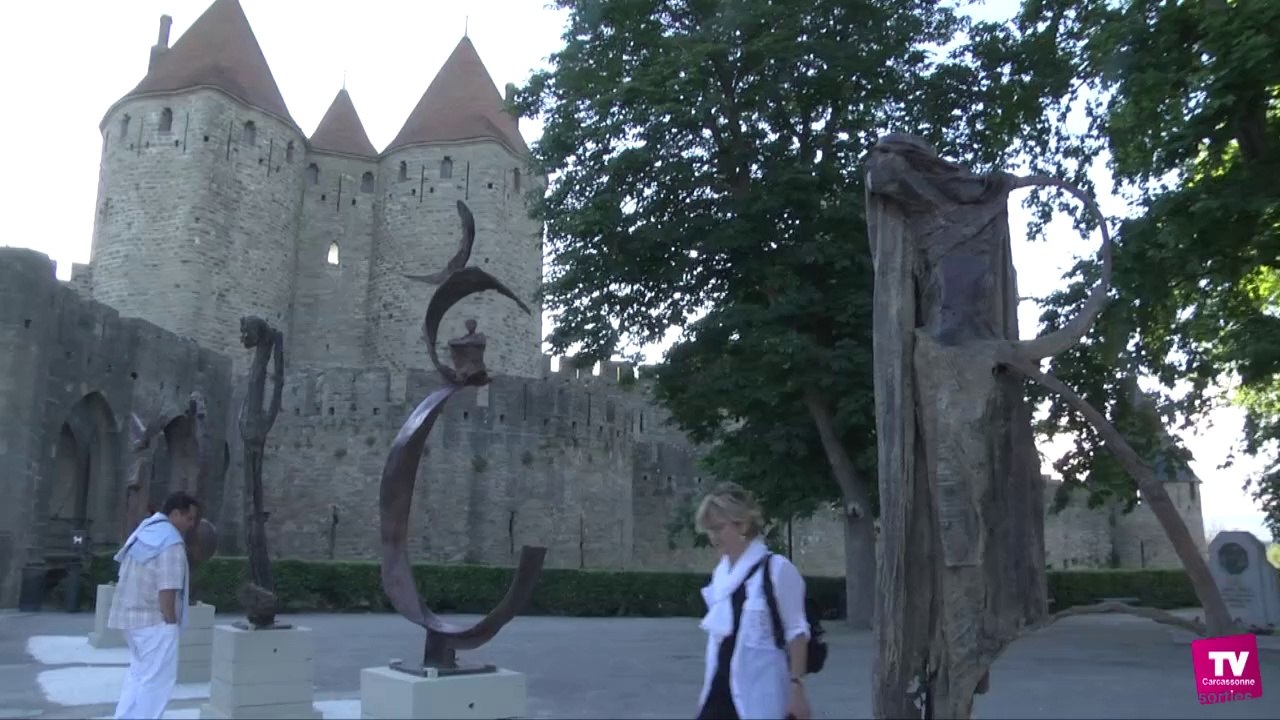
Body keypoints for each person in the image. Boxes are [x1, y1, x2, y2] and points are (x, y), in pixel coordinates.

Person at [694, 482, 812, 720]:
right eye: (709, 530)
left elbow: (796, 632)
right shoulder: (721, 574)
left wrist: (796, 688)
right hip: (719, 693)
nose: (713, 537)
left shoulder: (777, 570)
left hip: (760, 694)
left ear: (743, 525)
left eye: (718, 528)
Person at [108, 491, 200, 720]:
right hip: (155, 623)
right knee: (156, 683)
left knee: (138, 676)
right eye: (189, 518)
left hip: (131, 620)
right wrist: (170, 623)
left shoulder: (144, 533)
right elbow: (167, 589)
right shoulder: (170, 542)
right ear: (176, 514)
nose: (191, 524)